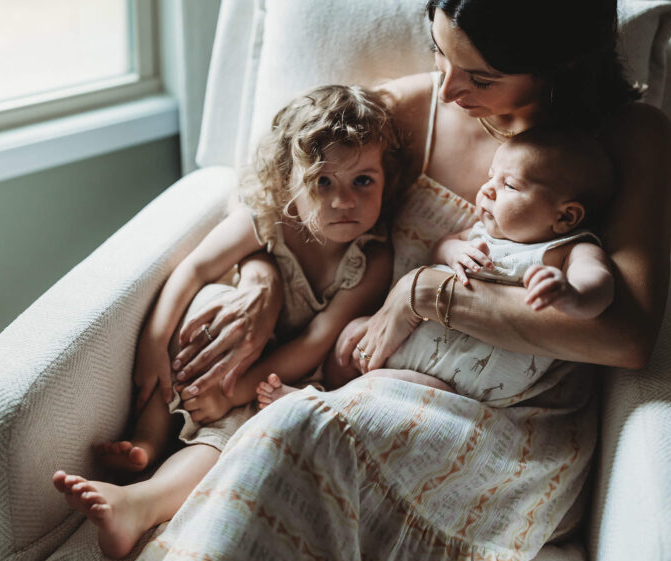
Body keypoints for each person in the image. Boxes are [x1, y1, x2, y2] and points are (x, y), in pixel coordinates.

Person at [130, 0, 671, 561]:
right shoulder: (412, 115)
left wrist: (426, 294)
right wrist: (260, 279)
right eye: (441, 54)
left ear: (558, 64)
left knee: (301, 427)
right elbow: (281, 199)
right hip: (381, 384)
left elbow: (624, 336)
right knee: (296, 428)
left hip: (512, 431)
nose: (451, 89)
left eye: (479, 76)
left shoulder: (630, 141)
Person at [52, 83, 411, 558]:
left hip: (288, 373)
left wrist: (234, 393)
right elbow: (194, 269)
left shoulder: (372, 258)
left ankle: (140, 502)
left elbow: (318, 340)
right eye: (322, 182)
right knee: (206, 310)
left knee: (244, 422)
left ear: (386, 180)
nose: (343, 201)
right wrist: (153, 344)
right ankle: (148, 438)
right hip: (230, 348)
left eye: (362, 181)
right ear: (289, 184)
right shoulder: (266, 220)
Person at [258, 127, 617, 408]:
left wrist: (568, 293)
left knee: (387, 389)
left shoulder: (567, 250)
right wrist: (454, 250)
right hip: (411, 342)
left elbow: (599, 288)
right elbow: (441, 247)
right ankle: (325, 384)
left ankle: (316, 402)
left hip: (457, 385)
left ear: (565, 215)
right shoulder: (480, 232)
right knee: (349, 338)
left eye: (508, 185)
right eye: (491, 177)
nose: (487, 191)